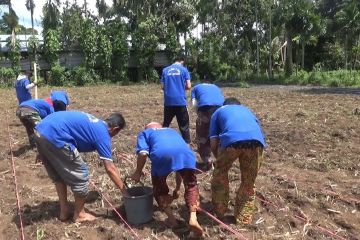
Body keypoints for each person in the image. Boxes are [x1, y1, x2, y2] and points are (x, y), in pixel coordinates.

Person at [34, 111, 127, 222]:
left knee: (58, 175)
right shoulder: (103, 134)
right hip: (56, 136)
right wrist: (125, 191)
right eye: (117, 133)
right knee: (81, 176)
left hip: (40, 131)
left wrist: (43, 149)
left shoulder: (95, 123)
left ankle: (64, 211)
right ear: (115, 129)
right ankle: (79, 215)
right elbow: (110, 168)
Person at [131, 122, 203, 238]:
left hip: (161, 155)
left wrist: (138, 172)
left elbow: (143, 154)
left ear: (147, 127)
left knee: (159, 189)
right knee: (191, 185)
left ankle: (172, 220)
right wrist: (178, 188)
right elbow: (178, 168)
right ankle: (193, 218)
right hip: (187, 155)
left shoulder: (145, 133)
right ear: (160, 127)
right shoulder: (171, 131)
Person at [209, 97, 266, 225]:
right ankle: (243, 219)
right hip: (256, 143)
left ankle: (220, 211)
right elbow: (257, 130)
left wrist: (220, 161)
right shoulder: (247, 110)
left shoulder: (218, 112)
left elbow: (213, 144)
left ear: (224, 105)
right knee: (248, 182)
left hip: (231, 142)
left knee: (220, 175)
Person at [191, 76, 224, 171]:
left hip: (205, 109)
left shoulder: (196, 87)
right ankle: (221, 160)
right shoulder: (216, 87)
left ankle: (207, 161)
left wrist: (199, 115)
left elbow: (194, 103)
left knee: (202, 136)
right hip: (219, 110)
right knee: (217, 135)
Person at [161, 55, 192, 144]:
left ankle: (162, 141)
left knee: (166, 124)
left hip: (168, 102)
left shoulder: (165, 70)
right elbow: (189, 86)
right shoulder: (184, 70)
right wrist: (181, 87)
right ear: (182, 61)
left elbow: (162, 87)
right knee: (184, 126)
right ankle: (186, 145)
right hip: (180, 102)